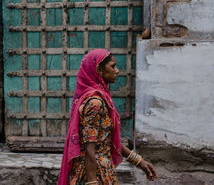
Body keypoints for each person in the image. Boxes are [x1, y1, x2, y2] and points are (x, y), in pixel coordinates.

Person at [58, 49, 157, 185]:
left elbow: (108, 139)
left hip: (103, 170)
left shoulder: (101, 99)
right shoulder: (95, 103)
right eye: (112, 66)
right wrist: (92, 182)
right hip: (93, 174)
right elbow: (89, 148)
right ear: (99, 70)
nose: (117, 71)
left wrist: (138, 161)